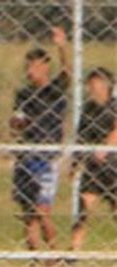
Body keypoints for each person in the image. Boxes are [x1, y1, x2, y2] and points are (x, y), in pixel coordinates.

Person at [10, 27, 69, 254]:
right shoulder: (23, 95)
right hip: (27, 153)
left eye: (34, 66)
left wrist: (61, 45)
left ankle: (53, 250)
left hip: (47, 154)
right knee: (28, 211)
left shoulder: (54, 90)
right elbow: (16, 120)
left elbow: (67, 72)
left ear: (45, 66)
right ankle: (35, 255)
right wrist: (17, 124)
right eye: (27, 67)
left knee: (42, 209)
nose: (30, 71)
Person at [70, 66, 117, 253]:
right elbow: (80, 136)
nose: (93, 88)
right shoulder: (88, 109)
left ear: (107, 85)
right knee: (82, 208)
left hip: (113, 165)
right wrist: (75, 163)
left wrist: (105, 147)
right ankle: (74, 250)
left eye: (97, 84)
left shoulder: (114, 105)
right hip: (93, 168)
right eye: (91, 84)